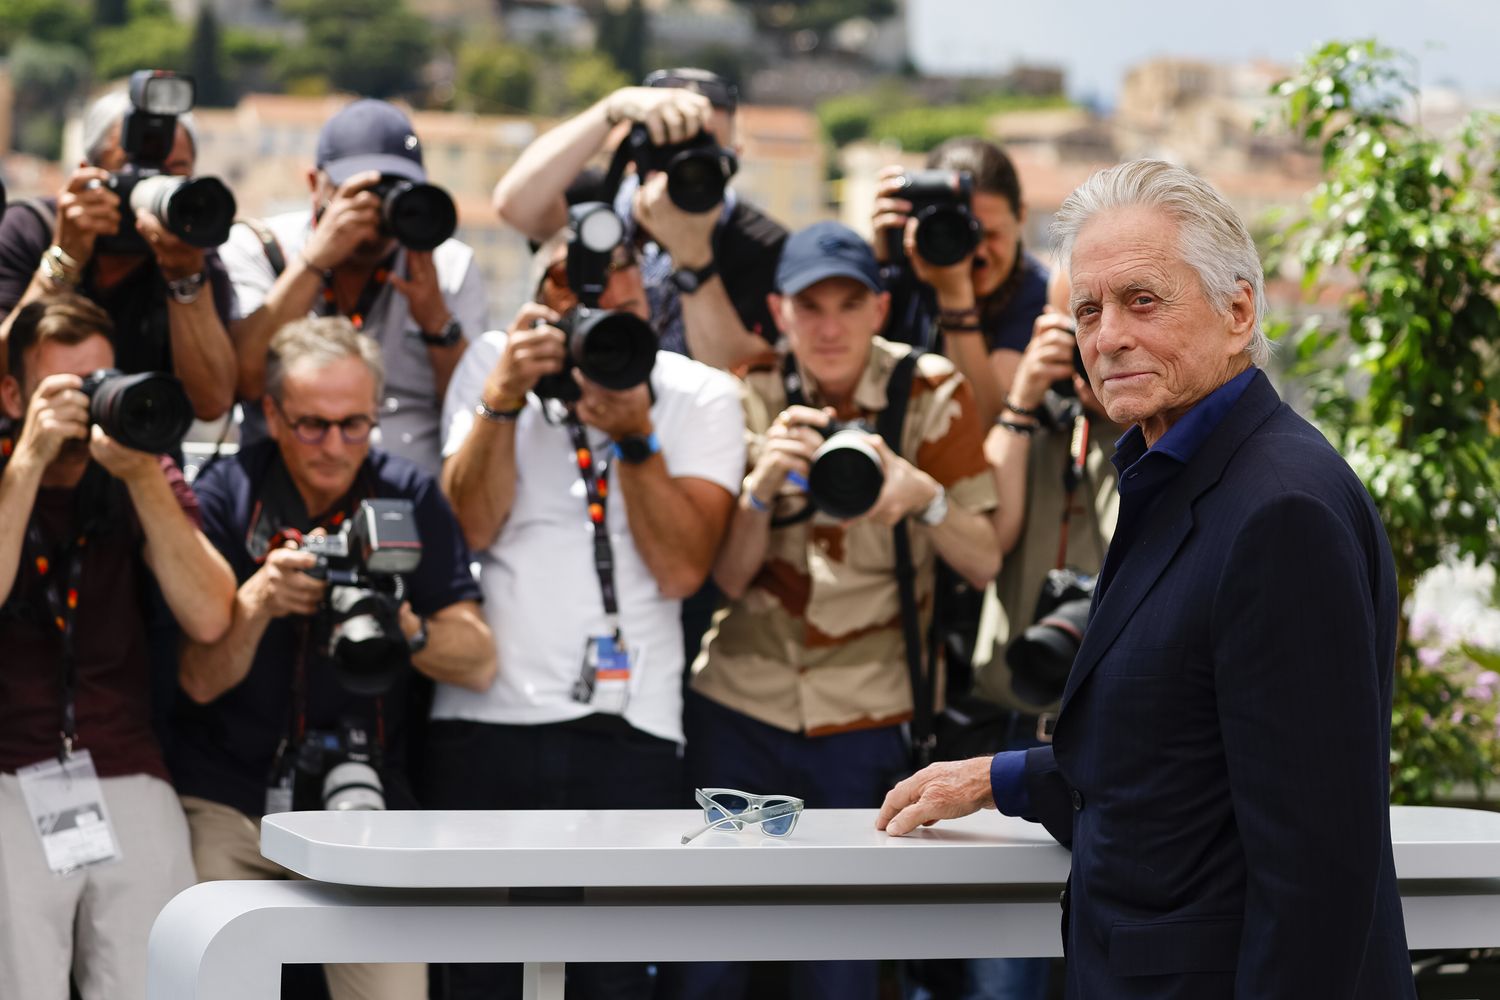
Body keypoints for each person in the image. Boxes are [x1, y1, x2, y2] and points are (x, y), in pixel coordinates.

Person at [878, 160, 1416, 999]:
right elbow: (1179, 753)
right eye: (1087, 310)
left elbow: (1319, 867)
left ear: (1239, 312)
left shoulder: (1280, 511)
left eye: (1142, 301)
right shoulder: (1177, 471)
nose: (1107, 336)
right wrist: (998, 778)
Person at [663, 222, 1000, 1000]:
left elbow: (983, 560)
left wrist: (927, 498)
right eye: (809, 306)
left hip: (868, 715)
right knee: (710, 955)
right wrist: (757, 490)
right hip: (742, 706)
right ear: (777, 311)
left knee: (838, 965)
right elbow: (728, 577)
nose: (829, 326)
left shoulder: (930, 390)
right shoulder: (746, 391)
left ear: (880, 307)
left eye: (849, 304)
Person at [429, 229, 744, 1000]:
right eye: (581, 305)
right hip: (486, 719)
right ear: (545, 305)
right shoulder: (492, 363)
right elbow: (467, 528)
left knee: (612, 972)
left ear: (652, 310)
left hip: (630, 724)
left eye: (623, 307)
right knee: (479, 971)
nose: (603, 322)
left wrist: (636, 438)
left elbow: (680, 570)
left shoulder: (699, 392)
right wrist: (501, 403)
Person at [170, 316, 494, 1000]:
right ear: (273, 415)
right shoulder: (227, 493)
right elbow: (197, 682)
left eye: (355, 425)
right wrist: (258, 602)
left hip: (362, 795)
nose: (334, 445)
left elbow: (479, 658)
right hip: (235, 794)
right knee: (218, 981)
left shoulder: (404, 492)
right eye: (313, 424)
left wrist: (403, 623)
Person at [0, 293, 236, 1000]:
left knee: (154, 984)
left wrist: (139, 474)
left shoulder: (141, 468)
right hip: (9, 771)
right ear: (12, 392)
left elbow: (210, 617)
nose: (85, 406)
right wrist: (29, 460)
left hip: (127, 764)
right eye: (62, 390)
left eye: (98, 384)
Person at [905, 314, 1125, 1000]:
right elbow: (986, 537)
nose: (1100, 336)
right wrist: (1023, 400)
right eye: (1081, 317)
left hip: (1103, 730)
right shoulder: (1029, 427)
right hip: (1009, 724)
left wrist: (1113, 419)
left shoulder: (1145, 437)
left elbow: (1131, 537)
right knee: (1000, 975)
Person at [219, 98, 488, 476]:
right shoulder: (258, 248)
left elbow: (472, 410)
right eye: (360, 189)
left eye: (395, 190)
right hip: (285, 487)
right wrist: (313, 263)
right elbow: (245, 380)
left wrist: (436, 322)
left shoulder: (450, 266)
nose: (376, 210)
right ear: (315, 185)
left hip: (409, 491)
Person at [493, 68, 786, 370]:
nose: (680, 167)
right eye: (666, 147)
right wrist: (611, 110)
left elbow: (740, 368)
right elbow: (514, 205)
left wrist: (694, 258)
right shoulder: (599, 199)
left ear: (734, 157)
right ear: (636, 150)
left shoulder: (763, 243)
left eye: (701, 154)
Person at [0, 90, 237, 424]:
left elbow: (211, 402)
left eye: (175, 174)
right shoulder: (32, 229)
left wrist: (184, 278)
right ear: (86, 175)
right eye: (135, 172)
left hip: (140, 457)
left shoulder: (193, 254)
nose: (157, 187)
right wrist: (64, 258)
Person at [872, 137, 1067, 426]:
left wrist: (954, 298)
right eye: (959, 233)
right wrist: (876, 266)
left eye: (990, 235)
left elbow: (982, 422)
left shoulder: (1039, 297)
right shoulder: (901, 272)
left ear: (1021, 216)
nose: (976, 254)